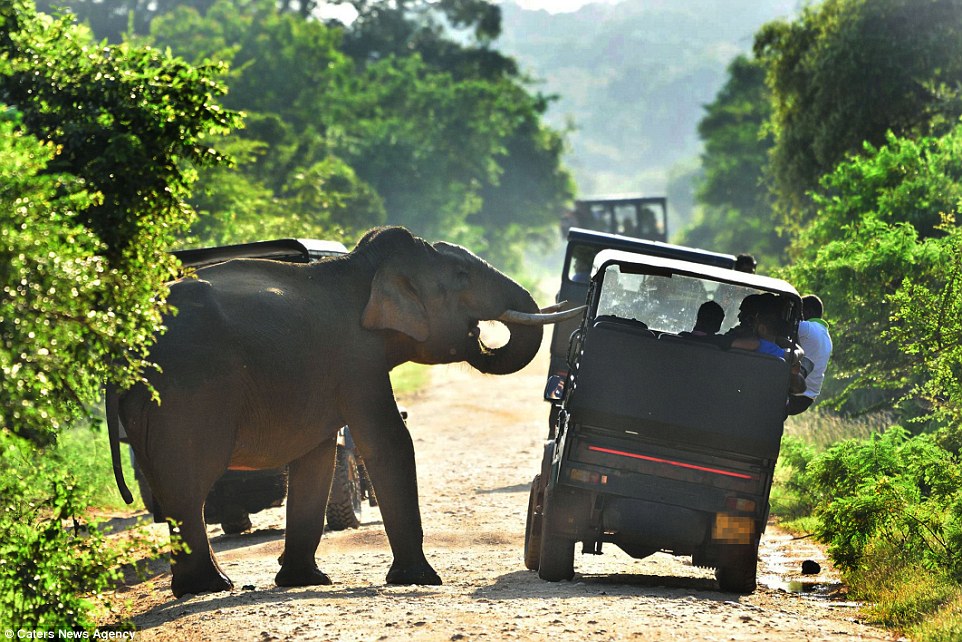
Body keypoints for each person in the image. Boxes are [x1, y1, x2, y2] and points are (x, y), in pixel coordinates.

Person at [787, 294, 833, 415]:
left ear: (807, 311)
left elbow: (779, 328)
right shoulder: (826, 336)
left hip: (794, 393)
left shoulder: (807, 328)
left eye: (798, 311)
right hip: (808, 398)